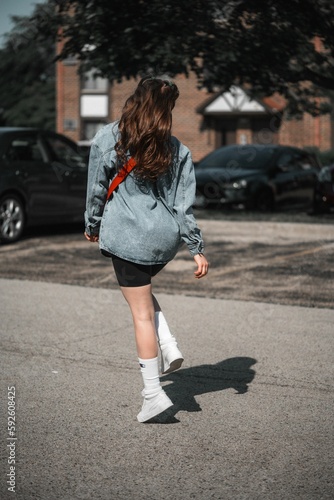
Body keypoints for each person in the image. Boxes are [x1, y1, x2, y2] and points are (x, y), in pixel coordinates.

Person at [84, 76, 209, 423]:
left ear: (136, 100)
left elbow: (96, 186)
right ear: (167, 109)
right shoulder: (178, 149)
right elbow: (184, 206)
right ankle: (168, 344)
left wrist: (92, 224)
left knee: (139, 312)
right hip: (163, 240)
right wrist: (195, 247)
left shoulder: (110, 137)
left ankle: (153, 394)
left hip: (129, 236)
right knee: (141, 292)